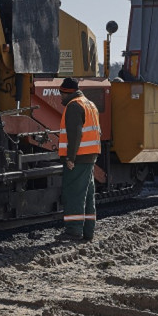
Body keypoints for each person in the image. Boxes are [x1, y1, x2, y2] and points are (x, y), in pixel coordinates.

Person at [56, 77, 101, 242]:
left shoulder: (74, 106)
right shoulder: (89, 104)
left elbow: (75, 135)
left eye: (61, 94)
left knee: (74, 193)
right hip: (90, 155)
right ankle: (88, 232)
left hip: (79, 157)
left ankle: (73, 231)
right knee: (88, 194)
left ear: (67, 92)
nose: (60, 97)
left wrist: (70, 157)